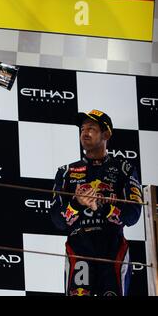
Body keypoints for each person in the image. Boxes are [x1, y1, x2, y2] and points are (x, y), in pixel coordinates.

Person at [50, 109, 142, 296]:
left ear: (106, 134)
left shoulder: (124, 169)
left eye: (91, 128)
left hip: (112, 244)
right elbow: (57, 221)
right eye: (82, 128)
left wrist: (100, 205)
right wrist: (76, 203)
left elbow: (133, 215)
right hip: (79, 245)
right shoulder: (66, 172)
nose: (84, 132)